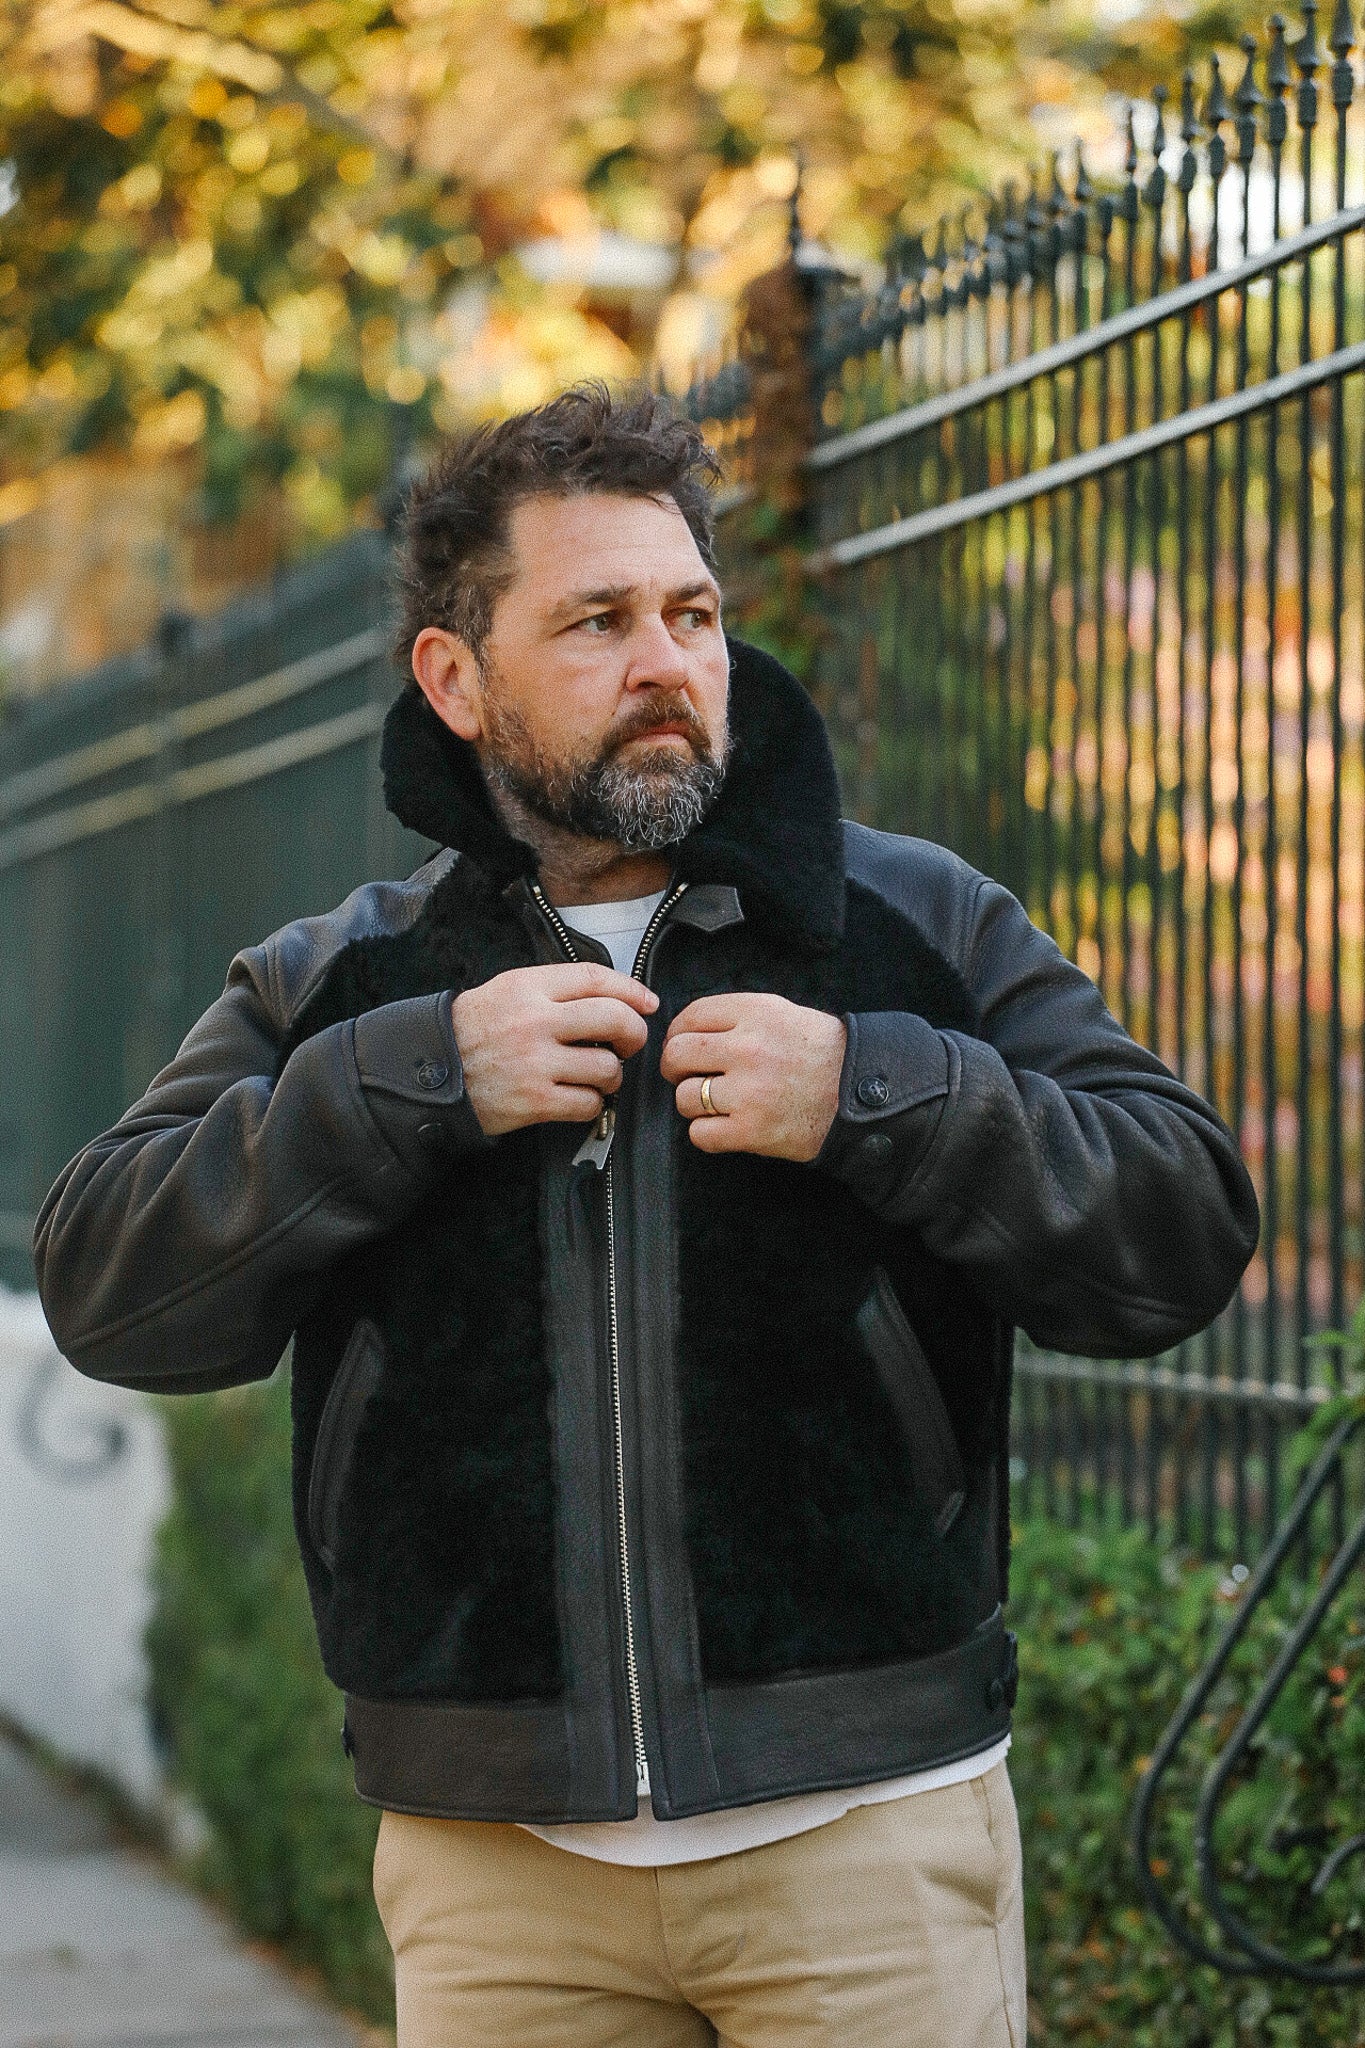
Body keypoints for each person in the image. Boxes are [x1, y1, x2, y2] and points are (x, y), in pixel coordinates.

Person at [35, 384, 1258, 2047]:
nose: (668, 663)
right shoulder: (351, 981)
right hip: (494, 1866)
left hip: (864, 1832)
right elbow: (109, 1283)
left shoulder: (910, 928)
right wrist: (404, 1083)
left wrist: (883, 1096)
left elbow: (1179, 1223)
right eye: (596, 621)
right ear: (455, 680)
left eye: (689, 613)